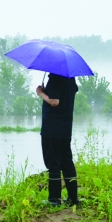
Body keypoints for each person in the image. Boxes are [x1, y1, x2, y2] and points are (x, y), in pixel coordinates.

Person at [36, 73, 79, 207]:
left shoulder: (55, 78)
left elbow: (54, 101)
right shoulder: (70, 78)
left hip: (52, 127)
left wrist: (41, 93)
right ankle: (73, 198)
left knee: (53, 163)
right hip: (66, 127)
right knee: (67, 162)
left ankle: (54, 199)